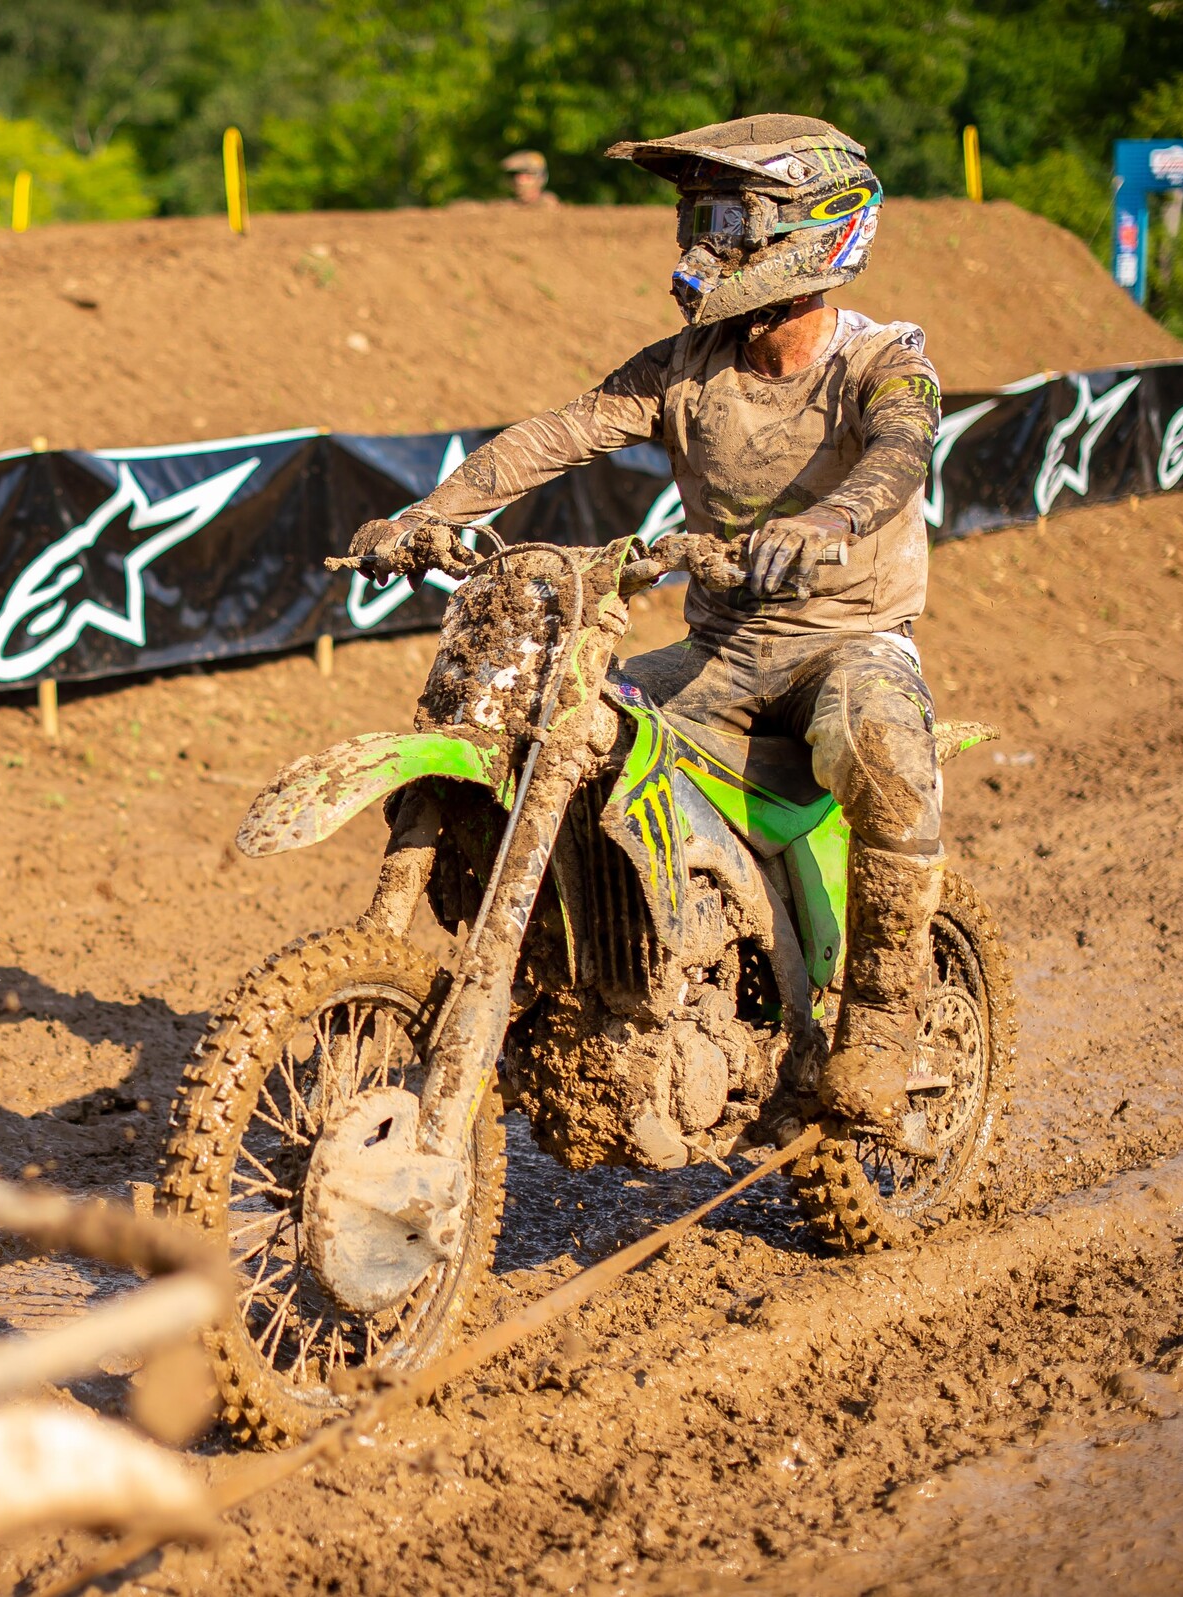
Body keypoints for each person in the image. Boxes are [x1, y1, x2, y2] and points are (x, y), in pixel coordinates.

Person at [353, 114, 946, 1147]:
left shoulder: (879, 358)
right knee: (562, 737)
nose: (707, 241)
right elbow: (560, 433)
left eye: (734, 218)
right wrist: (431, 515)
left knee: (883, 743)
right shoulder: (687, 364)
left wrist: (829, 521)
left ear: (817, 230)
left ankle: (884, 1022)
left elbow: (902, 449)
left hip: (847, 641)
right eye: (701, 215)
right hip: (719, 651)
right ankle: (589, 987)